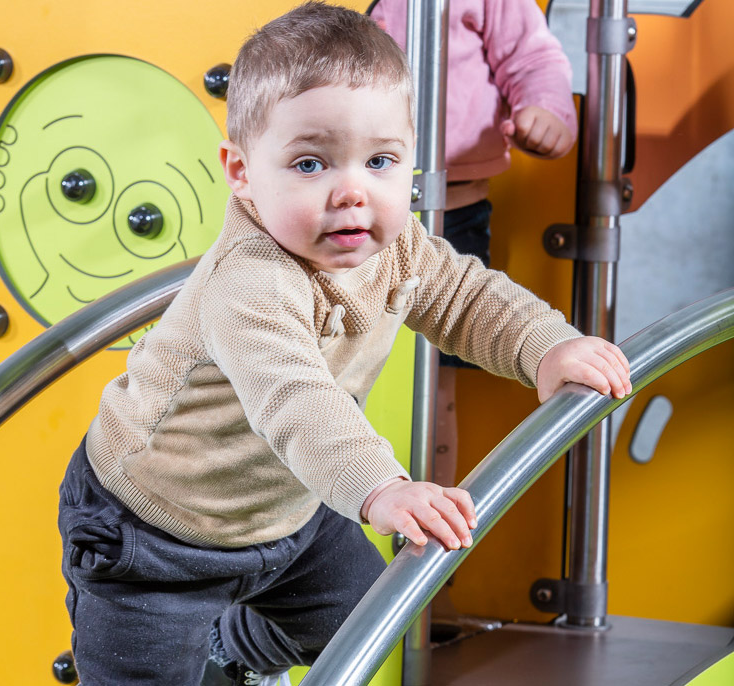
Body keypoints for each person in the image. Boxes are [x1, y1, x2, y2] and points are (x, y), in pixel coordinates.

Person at [57, 3, 630, 685]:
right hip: (154, 531)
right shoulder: (252, 281)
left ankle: (231, 649)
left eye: (381, 160)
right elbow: (296, 400)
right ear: (241, 171)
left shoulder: (394, 247)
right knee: (145, 674)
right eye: (310, 163)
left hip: (288, 511)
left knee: (364, 617)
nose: (352, 192)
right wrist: (381, 488)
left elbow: (467, 298)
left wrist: (547, 347)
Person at [369, 0, 579, 640]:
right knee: (339, 387)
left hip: (445, 212)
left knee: (433, 398)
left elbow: (533, 57)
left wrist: (547, 111)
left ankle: (426, 587)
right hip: (340, 214)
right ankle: (340, 580)